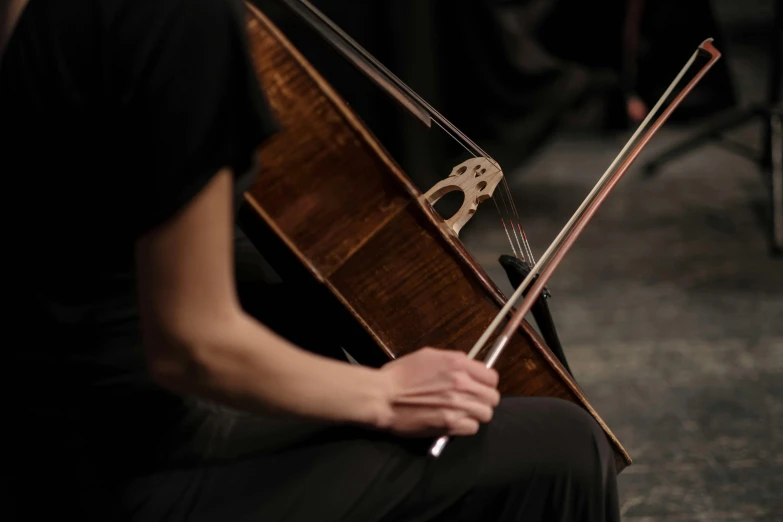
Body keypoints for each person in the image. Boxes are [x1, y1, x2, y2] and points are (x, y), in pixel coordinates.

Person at [1, 0, 621, 520]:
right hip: (127, 467)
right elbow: (193, 346)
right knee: (565, 444)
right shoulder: (180, 18)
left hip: (51, 432)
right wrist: (384, 393)